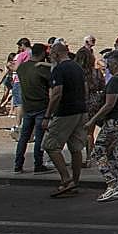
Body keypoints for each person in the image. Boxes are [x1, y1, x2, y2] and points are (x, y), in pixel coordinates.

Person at [85, 51, 118, 202]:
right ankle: (116, 185)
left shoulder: (115, 81)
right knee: (113, 153)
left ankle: (112, 184)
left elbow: (109, 104)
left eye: (109, 64)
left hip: (115, 121)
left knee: (99, 150)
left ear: (116, 64)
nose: (106, 68)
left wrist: (92, 120)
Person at [42, 43, 88, 196]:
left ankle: (67, 179)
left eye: (51, 54)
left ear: (56, 54)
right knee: (76, 148)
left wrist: (48, 115)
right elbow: (85, 88)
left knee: (50, 145)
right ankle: (74, 182)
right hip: (80, 110)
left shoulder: (59, 69)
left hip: (65, 111)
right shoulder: (77, 68)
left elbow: (56, 93)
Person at [13, 42, 52, 173]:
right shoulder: (41, 68)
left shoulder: (22, 67)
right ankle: (38, 163)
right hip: (41, 105)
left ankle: (18, 164)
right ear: (42, 54)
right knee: (39, 138)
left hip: (27, 105)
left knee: (24, 137)